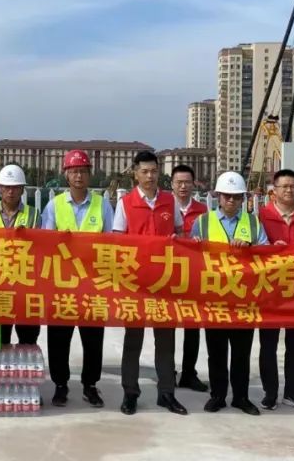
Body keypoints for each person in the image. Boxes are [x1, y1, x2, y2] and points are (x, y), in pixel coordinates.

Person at [190, 171, 269, 415]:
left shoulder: (253, 223)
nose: (231, 201)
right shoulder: (203, 223)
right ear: (218, 196)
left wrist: (250, 248)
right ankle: (218, 395)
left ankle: (241, 397)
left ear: (243, 198)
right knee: (216, 351)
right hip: (214, 299)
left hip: (244, 299)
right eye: (227, 196)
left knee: (242, 352)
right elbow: (190, 257)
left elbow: (268, 257)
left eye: (236, 196)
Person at [113, 150, 186, 416]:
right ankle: (130, 393)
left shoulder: (169, 201)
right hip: (136, 284)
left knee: (166, 341)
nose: (150, 176)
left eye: (154, 171)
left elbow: (179, 232)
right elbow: (117, 241)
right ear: (135, 174)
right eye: (144, 171)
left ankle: (167, 393)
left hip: (164, 282)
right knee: (133, 340)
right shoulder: (126, 203)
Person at [41, 150, 113, 408]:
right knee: (59, 338)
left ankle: (90, 385)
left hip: (92, 284)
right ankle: (60, 384)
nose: (78, 176)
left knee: (93, 338)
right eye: (74, 171)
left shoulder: (102, 205)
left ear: (89, 174)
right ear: (66, 175)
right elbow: (46, 242)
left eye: (83, 171)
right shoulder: (55, 205)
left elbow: (112, 242)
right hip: (62, 284)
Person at [256, 168, 294, 413]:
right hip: (269, 289)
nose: (289, 190)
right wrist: (271, 248)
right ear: (274, 190)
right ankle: (270, 393)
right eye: (284, 186)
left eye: (293, 186)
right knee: (268, 344)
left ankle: (293, 392)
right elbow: (252, 250)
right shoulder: (261, 215)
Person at [0, 164, 40, 347]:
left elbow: (39, 250)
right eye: (6, 187)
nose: (10, 192)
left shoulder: (33, 215)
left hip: (25, 287)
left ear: (22, 189)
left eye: (15, 187)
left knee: (28, 340)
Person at [171, 164, 208, 393]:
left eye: (187, 182)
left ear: (193, 184)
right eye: (179, 182)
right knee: (166, 326)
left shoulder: (203, 210)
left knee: (192, 326)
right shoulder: (165, 206)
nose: (183, 186)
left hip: (193, 274)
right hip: (168, 273)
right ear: (172, 184)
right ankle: (167, 370)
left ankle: (188, 372)